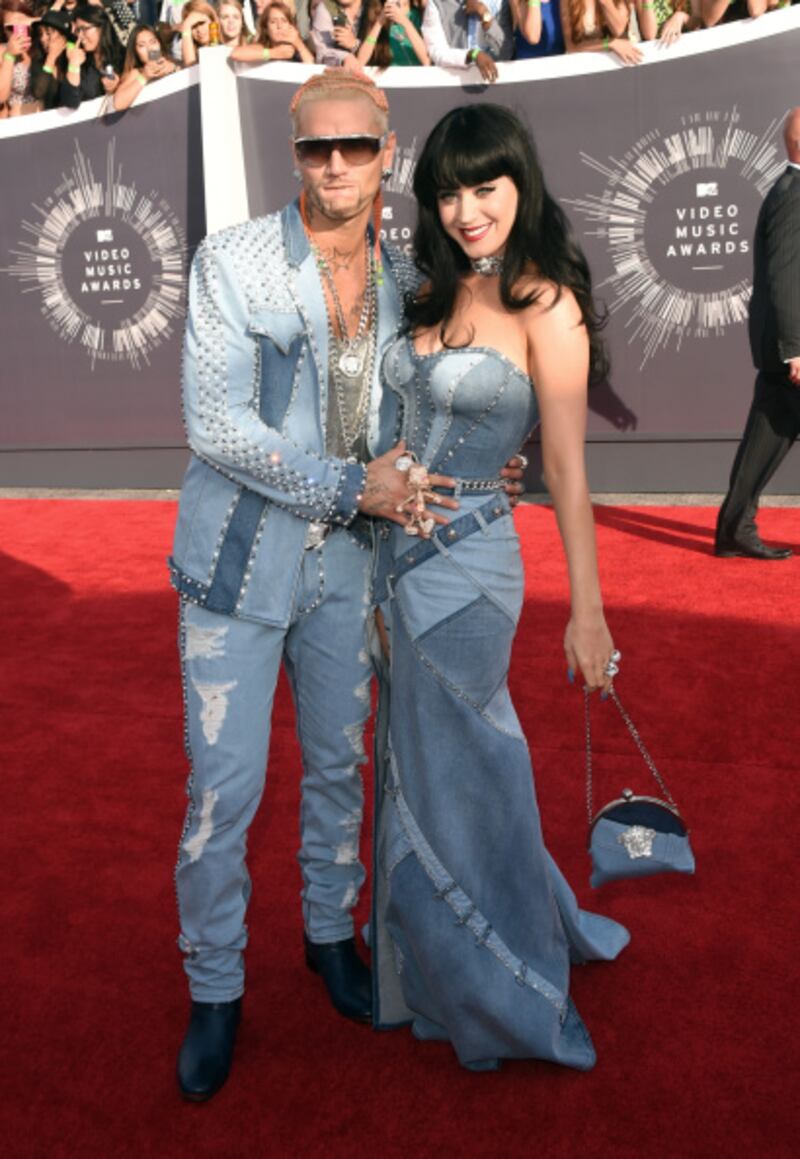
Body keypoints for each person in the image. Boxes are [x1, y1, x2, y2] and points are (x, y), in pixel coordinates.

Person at [170, 69, 525, 1102]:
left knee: (339, 766)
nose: (334, 164)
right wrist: (346, 485)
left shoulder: (407, 274)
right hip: (235, 568)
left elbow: (427, 407)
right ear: (293, 154)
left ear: (386, 152)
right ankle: (215, 987)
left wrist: (483, 463)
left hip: (349, 568)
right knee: (223, 792)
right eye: (314, 147)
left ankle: (330, 935)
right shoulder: (232, 260)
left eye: (354, 147)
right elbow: (215, 423)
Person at [371, 102, 630, 1072]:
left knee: (470, 771)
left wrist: (588, 614)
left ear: (521, 183)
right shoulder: (425, 290)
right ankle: (436, 968)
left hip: (471, 571)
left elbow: (564, 468)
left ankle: (505, 984)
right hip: (389, 562)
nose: (466, 209)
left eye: (485, 186)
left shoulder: (545, 304)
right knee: (417, 767)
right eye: (447, 192)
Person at [714, 107, 800, 560]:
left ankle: (734, 529)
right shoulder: (794, 194)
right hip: (791, 346)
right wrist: (794, 349)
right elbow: (784, 276)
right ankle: (735, 529)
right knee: (766, 434)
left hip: (784, 346)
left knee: (766, 437)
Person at [421, 0, 514, 83]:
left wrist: (486, 17)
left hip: (494, 82)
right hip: (453, 82)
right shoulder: (436, 3)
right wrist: (472, 55)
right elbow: (437, 52)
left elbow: (506, 53)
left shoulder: (500, 2)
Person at [61, 4, 123, 108]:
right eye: (78, 30)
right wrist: (73, 65)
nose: (80, 36)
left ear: (101, 28)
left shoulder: (123, 56)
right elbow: (70, 102)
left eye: (84, 29)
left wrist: (119, 86)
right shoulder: (80, 60)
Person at [111, 21, 178, 110]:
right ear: (135, 52)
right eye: (142, 45)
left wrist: (174, 68)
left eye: (153, 42)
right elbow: (118, 104)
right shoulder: (137, 73)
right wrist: (144, 77)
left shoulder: (172, 62)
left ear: (159, 43)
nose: (149, 48)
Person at [560, 0, 641, 65]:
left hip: (625, 61)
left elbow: (619, 31)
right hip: (591, 66)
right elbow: (571, 47)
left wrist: (605, 2)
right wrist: (609, 44)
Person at [230, 1, 314, 61]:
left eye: (284, 21)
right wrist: (274, 53)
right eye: (273, 22)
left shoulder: (296, 49)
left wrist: (298, 44)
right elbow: (236, 54)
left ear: (291, 25)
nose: (279, 26)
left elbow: (311, 68)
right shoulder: (264, 47)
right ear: (266, 28)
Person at [356, 0, 430, 67]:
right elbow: (361, 61)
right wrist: (379, 22)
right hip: (389, 75)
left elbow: (427, 61)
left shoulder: (420, 16)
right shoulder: (376, 16)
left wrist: (404, 21)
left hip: (417, 74)